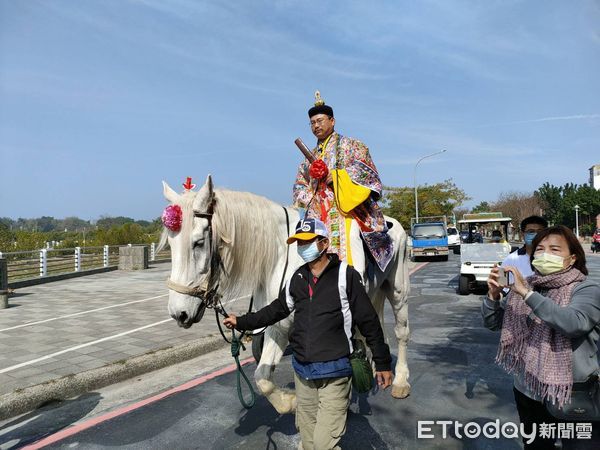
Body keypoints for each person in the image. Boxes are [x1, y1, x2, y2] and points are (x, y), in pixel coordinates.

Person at [223, 217, 393, 450]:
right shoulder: (297, 278)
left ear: (323, 243)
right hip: (303, 375)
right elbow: (277, 310)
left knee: (324, 444)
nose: (302, 248)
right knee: (309, 442)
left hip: (335, 373)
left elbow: (369, 322)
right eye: (299, 243)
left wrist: (383, 363)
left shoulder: (346, 276)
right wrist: (241, 321)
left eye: (307, 242)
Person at [483, 225, 600, 449]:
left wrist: (527, 294)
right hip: (528, 389)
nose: (545, 254)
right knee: (536, 446)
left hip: (572, 392)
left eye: (555, 249)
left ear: (572, 258)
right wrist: (492, 296)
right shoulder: (525, 286)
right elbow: (493, 324)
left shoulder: (586, 289)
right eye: (540, 249)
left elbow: (573, 323)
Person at [292, 91, 393, 272]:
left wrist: (338, 177)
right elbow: (299, 185)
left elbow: (368, 174)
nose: (316, 126)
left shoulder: (352, 145)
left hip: (347, 211)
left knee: (353, 237)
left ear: (332, 121)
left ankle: (357, 283)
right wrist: (313, 197)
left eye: (320, 120)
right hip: (318, 215)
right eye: (312, 123)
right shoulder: (308, 158)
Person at [501, 215, 548, 284]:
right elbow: (502, 287)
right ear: (522, 234)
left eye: (540, 231)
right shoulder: (510, 260)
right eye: (531, 231)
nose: (536, 235)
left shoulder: (553, 258)